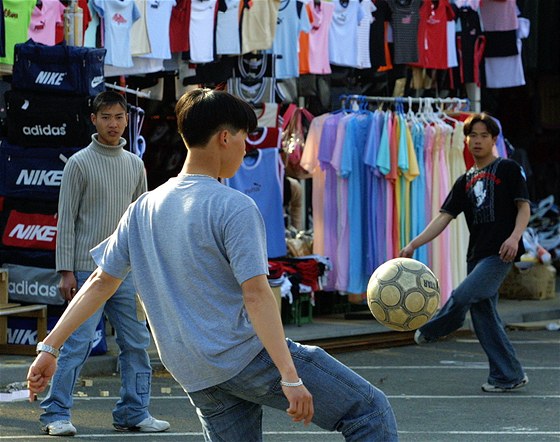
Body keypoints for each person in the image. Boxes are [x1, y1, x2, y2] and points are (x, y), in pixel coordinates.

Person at [28, 89, 398, 441]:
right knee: (369, 411)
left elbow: (99, 281)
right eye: (243, 138)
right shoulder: (232, 206)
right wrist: (290, 375)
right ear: (225, 137)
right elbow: (256, 295)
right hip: (244, 357)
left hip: (193, 371)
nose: (244, 147)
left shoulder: (144, 207)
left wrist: (50, 348)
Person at [38, 91, 170, 436]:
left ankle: (134, 411)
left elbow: (140, 220)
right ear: (93, 120)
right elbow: (66, 220)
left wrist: (144, 267)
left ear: (128, 120)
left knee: (137, 343)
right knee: (77, 343)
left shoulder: (134, 164)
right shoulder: (78, 163)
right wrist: (65, 270)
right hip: (85, 270)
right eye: (106, 116)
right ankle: (55, 414)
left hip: (125, 270)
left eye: (119, 117)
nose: (113, 123)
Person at [400, 112, 531, 393]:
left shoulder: (508, 168)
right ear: (466, 140)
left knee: (461, 296)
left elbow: (524, 207)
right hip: (476, 256)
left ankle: (436, 327)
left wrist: (514, 237)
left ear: (494, 139)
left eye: (484, 135)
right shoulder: (465, 180)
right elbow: (443, 218)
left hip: (501, 254)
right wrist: (413, 244)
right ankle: (508, 375)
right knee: (485, 319)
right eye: (473, 135)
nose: (478, 141)